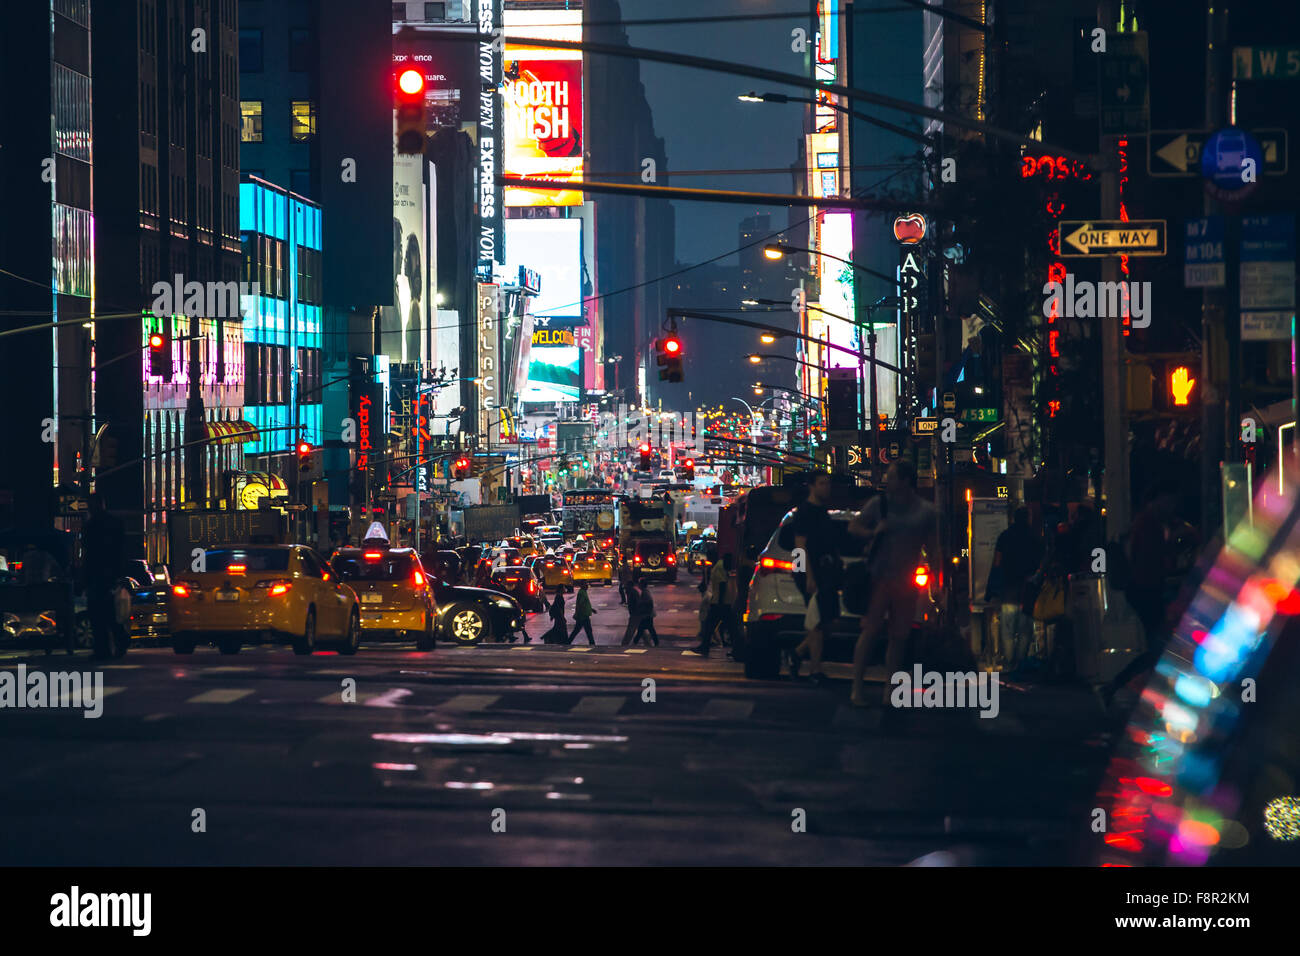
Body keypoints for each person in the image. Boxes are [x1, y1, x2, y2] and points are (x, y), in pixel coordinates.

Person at [848, 460, 939, 707]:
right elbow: (854, 527)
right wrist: (873, 532)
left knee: (899, 637)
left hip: (906, 581)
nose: (887, 480)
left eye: (891, 476)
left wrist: (938, 583)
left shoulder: (926, 511)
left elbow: (933, 549)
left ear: (905, 481)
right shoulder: (879, 505)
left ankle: (890, 689)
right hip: (878, 578)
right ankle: (857, 688)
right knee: (870, 631)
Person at [1100, 481, 1179, 707]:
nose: (1172, 505)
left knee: (1158, 647)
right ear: (1158, 500)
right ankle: (1118, 686)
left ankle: (1119, 687)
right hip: (1147, 590)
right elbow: (1153, 563)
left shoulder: (1146, 522)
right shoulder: (1150, 525)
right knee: (1159, 648)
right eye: (1169, 500)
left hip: (1143, 590)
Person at [786, 472, 839, 682]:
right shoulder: (804, 512)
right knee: (817, 621)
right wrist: (808, 576)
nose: (827, 487)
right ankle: (815, 670)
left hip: (825, 572)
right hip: (810, 572)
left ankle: (797, 653)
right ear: (812, 486)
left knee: (828, 620)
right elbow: (800, 546)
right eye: (822, 483)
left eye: (828, 483)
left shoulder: (822, 511)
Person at [984, 507, 1043, 673]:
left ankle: (1009, 663)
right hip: (1028, 590)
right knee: (1025, 628)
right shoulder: (1034, 538)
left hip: (1008, 588)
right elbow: (1041, 564)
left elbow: (997, 563)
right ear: (1028, 519)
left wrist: (991, 588)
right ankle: (1021, 661)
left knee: (1008, 628)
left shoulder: (1005, 537)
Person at [82, 495, 126, 659]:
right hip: (107, 575)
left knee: (98, 614)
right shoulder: (114, 523)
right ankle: (116, 643)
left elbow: (89, 554)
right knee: (107, 613)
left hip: (98, 575)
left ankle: (104, 648)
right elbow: (119, 551)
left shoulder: (91, 525)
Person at [693, 554, 737, 657]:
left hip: (719, 602)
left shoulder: (719, 566)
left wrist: (720, 602)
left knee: (710, 626)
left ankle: (705, 648)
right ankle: (736, 649)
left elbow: (722, 584)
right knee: (730, 628)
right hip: (723, 602)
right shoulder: (720, 565)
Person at [632, 582, 659, 646]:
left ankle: (635, 642)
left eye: (639, 584)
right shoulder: (645, 592)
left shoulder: (645, 592)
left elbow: (649, 602)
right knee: (646, 628)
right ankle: (656, 642)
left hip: (647, 614)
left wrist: (646, 612)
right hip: (647, 614)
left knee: (643, 628)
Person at [621, 579, 642, 646]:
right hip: (636, 613)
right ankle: (648, 643)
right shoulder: (632, 592)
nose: (625, 591)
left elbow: (636, 603)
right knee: (641, 629)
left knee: (630, 629)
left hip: (635, 614)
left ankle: (624, 643)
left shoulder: (632, 593)